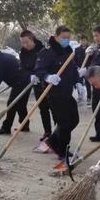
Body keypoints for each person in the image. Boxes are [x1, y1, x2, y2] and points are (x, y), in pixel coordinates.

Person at [34, 25, 79, 159]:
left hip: (67, 92)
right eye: (63, 38)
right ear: (56, 37)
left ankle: (52, 141)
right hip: (55, 94)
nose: (66, 40)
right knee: (64, 123)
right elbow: (39, 70)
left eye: (68, 38)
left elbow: (72, 69)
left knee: (74, 120)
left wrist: (78, 81)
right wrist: (48, 77)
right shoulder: (47, 52)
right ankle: (62, 152)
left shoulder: (68, 51)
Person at [0, 46, 29, 135]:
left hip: (19, 82)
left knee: (11, 104)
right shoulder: (4, 55)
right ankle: (25, 125)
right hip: (25, 80)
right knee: (21, 104)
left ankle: (6, 128)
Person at [19, 30, 53, 138]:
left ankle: (59, 132)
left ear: (32, 39)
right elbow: (23, 68)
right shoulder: (23, 53)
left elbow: (49, 66)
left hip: (48, 83)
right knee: (43, 109)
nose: (25, 45)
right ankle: (47, 132)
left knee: (54, 108)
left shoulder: (43, 50)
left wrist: (42, 75)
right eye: (22, 43)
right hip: (36, 84)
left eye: (26, 42)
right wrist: (30, 76)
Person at [74, 35, 91, 103]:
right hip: (79, 69)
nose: (83, 42)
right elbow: (74, 60)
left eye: (84, 40)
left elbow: (91, 60)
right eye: (82, 40)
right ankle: (80, 96)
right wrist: (77, 68)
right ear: (79, 41)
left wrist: (87, 68)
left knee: (88, 83)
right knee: (79, 83)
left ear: (87, 41)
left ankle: (89, 97)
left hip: (87, 69)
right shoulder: (77, 49)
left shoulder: (89, 49)